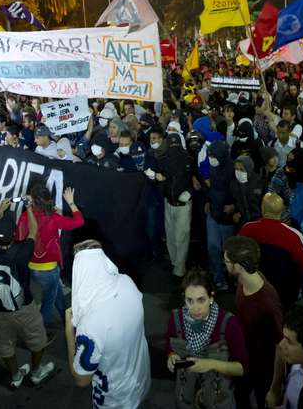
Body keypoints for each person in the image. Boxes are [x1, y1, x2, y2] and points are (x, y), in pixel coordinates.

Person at [0, 196, 55, 389]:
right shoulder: (21, 250)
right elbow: (33, 231)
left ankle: (15, 376)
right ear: (14, 234)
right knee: (37, 339)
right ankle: (36, 372)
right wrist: (29, 207)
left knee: (4, 345)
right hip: (23, 307)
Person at [66, 240, 151, 408]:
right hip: (140, 377)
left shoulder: (89, 326)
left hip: (114, 397)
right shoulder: (127, 282)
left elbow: (81, 379)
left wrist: (69, 330)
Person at [166, 267, 247, 409]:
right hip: (185, 398)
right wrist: (171, 356)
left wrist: (211, 364)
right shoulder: (176, 318)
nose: (195, 307)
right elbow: (169, 346)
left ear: (211, 297)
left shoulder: (228, 323)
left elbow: (242, 368)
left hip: (217, 400)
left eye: (201, 300)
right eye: (189, 300)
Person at [15, 182, 84, 331]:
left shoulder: (26, 216)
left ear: (32, 200)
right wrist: (71, 202)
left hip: (31, 266)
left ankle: (65, 314)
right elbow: (79, 221)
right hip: (49, 269)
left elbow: (19, 236)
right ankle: (41, 330)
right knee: (48, 301)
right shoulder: (54, 218)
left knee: (55, 291)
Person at [224, 236, 283, 409]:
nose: (224, 263)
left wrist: (275, 389)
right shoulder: (243, 281)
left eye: (227, 261)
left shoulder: (267, 303)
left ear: (239, 266)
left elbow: (281, 347)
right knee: (239, 397)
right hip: (243, 358)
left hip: (261, 369)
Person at [239, 192, 303, 307]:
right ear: (282, 211)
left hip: (253, 289)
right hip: (284, 294)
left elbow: (237, 255)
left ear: (262, 208)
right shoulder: (293, 235)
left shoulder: (247, 229)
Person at [155, 132, 193, 278]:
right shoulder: (162, 160)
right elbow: (159, 179)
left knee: (181, 237)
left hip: (184, 204)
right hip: (169, 202)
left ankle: (179, 269)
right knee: (171, 236)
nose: (174, 147)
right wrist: (163, 187)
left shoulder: (188, 159)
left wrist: (189, 193)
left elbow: (196, 180)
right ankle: (174, 263)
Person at [205, 141, 236, 290]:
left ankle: (232, 279)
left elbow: (239, 192)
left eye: (213, 155)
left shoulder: (233, 170)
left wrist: (234, 206)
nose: (211, 159)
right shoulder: (214, 167)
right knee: (213, 247)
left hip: (227, 216)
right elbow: (212, 187)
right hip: (213, 212)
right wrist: (207, 201)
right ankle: (218, 278)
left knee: (228, 251)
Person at [229, 155, 264, 227]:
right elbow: (235, 201)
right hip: (242, 223)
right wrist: (235, 212)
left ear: (248, 168)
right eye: (236, 169)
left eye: (241, 169)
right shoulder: (233, 183)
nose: (238, 172)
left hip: (259, 223)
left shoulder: (260, 182)